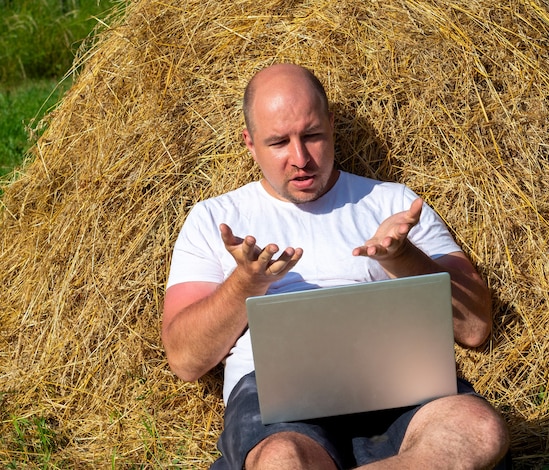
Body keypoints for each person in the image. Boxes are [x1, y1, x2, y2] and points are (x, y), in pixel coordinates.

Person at [162, 63, 510, 469]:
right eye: (278, 142)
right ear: (249, 143)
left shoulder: (393, 203)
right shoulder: (214, 218)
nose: (300, 158)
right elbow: (185, 360)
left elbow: (475, 328)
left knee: (476, 428)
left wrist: (402, 257)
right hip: (275, 395)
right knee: (282, 460)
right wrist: (245, 283)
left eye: (312, 135)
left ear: (331, 125)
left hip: (398, 377)